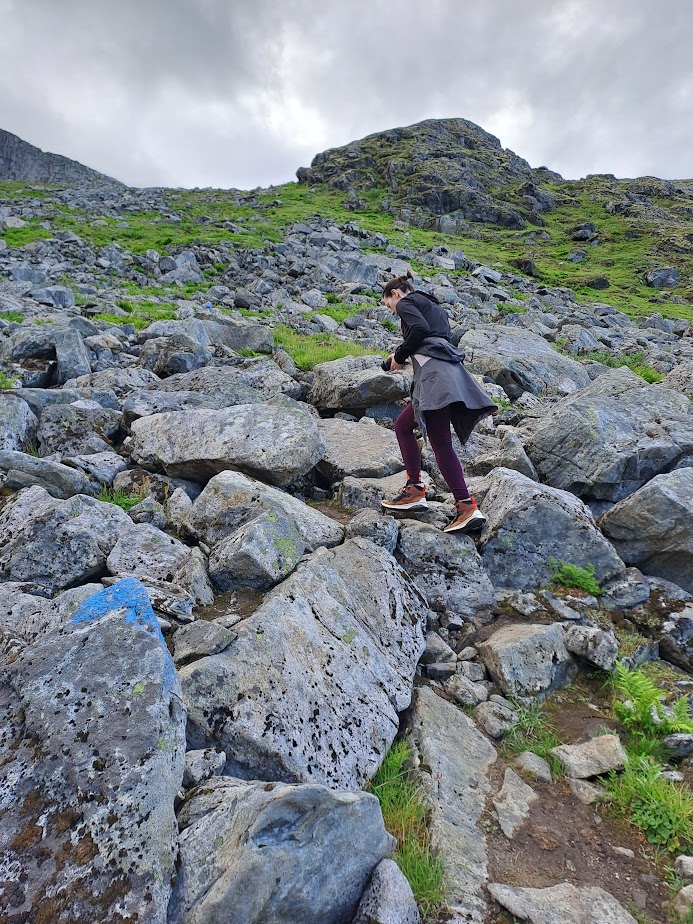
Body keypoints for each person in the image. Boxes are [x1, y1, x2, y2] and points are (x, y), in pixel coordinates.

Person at [380, 270, 497, 533]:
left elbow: (419, 331)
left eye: (389, 305)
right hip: (449, 376)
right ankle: (419, 490)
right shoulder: (433, 306)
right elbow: (431, 338)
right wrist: (401, 355)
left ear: (395, 294)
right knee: (404, 426)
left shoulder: (407, 303)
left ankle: (462, 505)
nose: (392, 312)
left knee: (439, 443)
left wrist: (399, 355)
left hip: (435, 379)